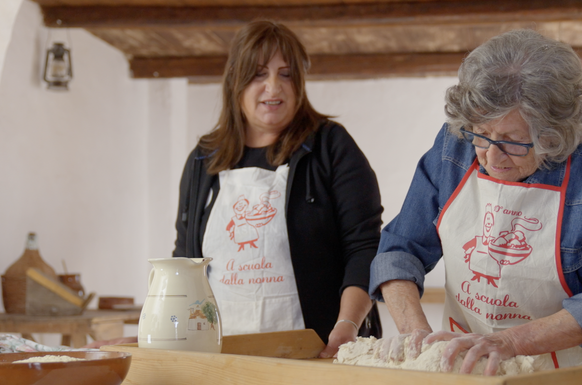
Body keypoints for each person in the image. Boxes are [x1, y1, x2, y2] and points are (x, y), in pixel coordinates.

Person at [82, 21, 384, 357]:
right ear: (235, 81)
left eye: (286, 74)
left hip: (317, 349)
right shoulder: (204, 158)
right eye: (258, 74)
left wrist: (348, 325)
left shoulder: (331, 146)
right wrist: (156, 337)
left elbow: (365, 247)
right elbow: (185, 262)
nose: (273, 87)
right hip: (219, 352)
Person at [369, 29, 582, 375]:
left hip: (565, 374)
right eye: (481, 135)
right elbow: (399, 250)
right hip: (465, 367)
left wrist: (512, 342)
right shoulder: (453, 149)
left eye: (514, 142)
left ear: (553, 136)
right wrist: (417, 338)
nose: (492, 156)